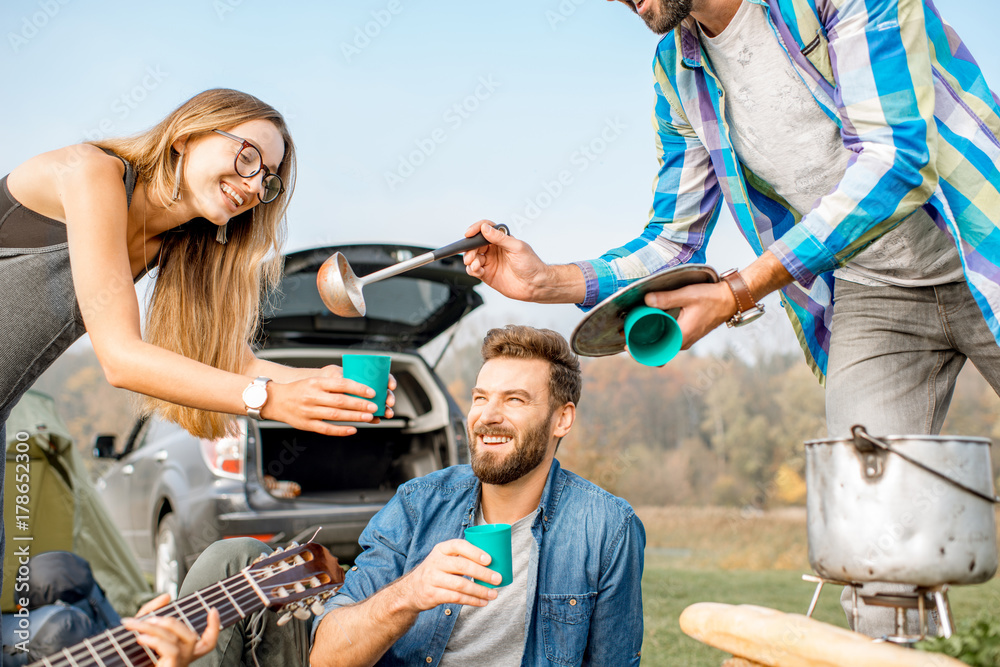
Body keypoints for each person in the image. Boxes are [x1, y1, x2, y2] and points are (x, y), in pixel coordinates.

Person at [461, 0, 1000, 637]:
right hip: (872, 296)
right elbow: (673, 241)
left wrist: (741, 289)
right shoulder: (676, 67)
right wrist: (547, 281)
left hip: (981, 242)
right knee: (870, 542)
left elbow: (895, 161)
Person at [0, 87, 394, 660]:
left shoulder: (172, 245)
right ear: (186, 136)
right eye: (248, 157)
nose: (256, 184)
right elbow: (120, 356)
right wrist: (266, 399)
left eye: (270, 179)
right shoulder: (89, 173)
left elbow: (221, 356)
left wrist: (313, 384)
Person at [175, 324, 645, 666]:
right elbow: (328, 655)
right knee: (230, 558)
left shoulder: (605, 527)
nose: (488, 415)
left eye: (515, 400)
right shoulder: (420, 503)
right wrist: (412, 592)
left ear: (562, 419)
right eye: (481, 398)